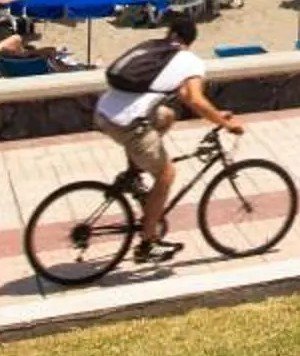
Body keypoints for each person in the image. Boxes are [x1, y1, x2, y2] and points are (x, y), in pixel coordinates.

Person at [91, 17, 242, 260]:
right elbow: (195, 99)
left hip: (103, 113)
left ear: (170, 33)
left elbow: (183, 95)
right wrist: (225, 124)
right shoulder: (190, 61)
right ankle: (148, 242)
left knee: (167, 116)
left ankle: (134, 173)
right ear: (191, 41)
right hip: (127, 124)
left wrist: (215, 114)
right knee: (167, 174)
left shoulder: (152, 48)